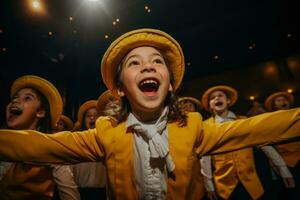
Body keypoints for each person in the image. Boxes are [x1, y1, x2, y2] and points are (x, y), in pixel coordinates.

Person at [0, 29, 300, 200]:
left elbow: (259, 128)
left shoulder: (195, 127)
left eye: (157, 61)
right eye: (134, 63)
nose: (147, 66)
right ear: (119, 88)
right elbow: (44, 145)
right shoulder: (107, 133)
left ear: (169, 85)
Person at [200, 85, 293, 200]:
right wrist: (209, 185)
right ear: (209, 105)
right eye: (212, 98)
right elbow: (205, 158)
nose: (217, 99)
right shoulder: (206, 126)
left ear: (228, 101)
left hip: (252, 182)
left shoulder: (243, 120)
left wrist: (283, 169)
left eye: (220, 96)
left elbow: (266, 146)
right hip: (225, 187)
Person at [0, 75, 79, 200]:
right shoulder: (3, 142)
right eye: (14, 98)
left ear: (40, 112)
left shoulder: (50, 146)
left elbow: (69, 192)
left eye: (27, 98)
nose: (15, 101)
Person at [265, 91, 300, 199]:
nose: (283, 102)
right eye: (279, 100)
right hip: (286, 161)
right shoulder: (271, 120)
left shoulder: (297, 115)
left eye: (284, 99)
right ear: (274, 105)